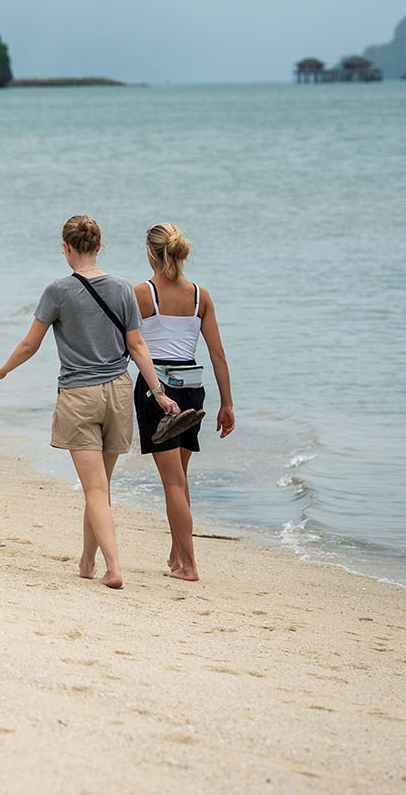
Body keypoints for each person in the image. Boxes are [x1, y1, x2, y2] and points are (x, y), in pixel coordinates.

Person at [0, 215, 179, 589]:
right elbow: (138, 346)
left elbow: (29, 344)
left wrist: (1, 371)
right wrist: (159, 392)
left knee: (94, 490)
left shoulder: (57, 291)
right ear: (99, 246)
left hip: (79, 396)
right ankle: (88, 562)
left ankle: (114, 568)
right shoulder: (123, 288)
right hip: (118, 393)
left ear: (67, 248)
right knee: (101, 486)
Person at [134, 222, 237, 581]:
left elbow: (128, 345)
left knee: (173, 482)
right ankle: (178, 554)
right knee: (180, 478)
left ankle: (189, 566)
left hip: (158, 390)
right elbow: (218, 354)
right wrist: (227, 404)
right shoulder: (199, 296)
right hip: (193, 388)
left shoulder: (143, 293)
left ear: (151, 253)